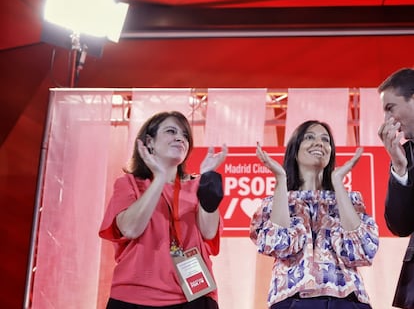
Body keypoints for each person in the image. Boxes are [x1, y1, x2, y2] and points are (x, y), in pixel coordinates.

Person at [99, 111, 228, 309]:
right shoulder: (129, 184)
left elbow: (209, 231)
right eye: (171, 131)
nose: (180, 138)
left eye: (185, 135)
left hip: (193, 297)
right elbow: (130, 229)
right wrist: (159, 178)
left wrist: (207, 179)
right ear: (149, 142)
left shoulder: (196, 186)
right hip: (135, 296)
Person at [250, 120, 379, 309]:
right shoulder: (276, 201)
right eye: (309, 137)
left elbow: (362, 251)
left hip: (348, 301)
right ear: (295, 150)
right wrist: (280, 178)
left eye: (325, 140)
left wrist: (337, 182)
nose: (319, 143)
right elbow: (278, 245)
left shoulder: (350, 200)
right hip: (293, 301)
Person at [377, 67, 414, 309]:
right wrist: (399, 168)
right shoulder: (407, 154)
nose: (387, 121)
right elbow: (400, 226)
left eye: (390, 108)